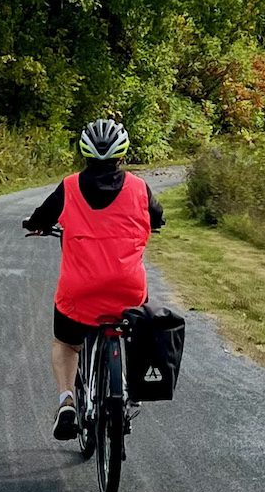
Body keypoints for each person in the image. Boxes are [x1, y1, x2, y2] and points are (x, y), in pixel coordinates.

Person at [22, 119, 165, 440]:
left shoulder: (69, 187)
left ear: (84, 151)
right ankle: (132, 386)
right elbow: (158, 218)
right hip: (127, 290)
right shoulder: (140, 188)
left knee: (66, 343)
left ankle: (67, 402)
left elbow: (41, 217)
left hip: (80, 292)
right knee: (139, 326)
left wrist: (36, 223)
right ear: (123, 153)